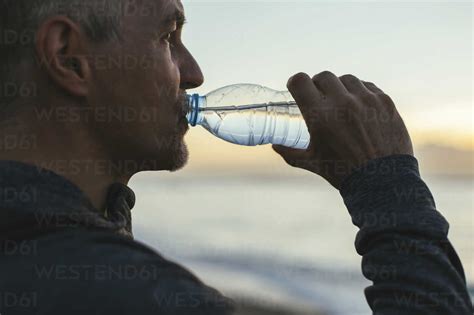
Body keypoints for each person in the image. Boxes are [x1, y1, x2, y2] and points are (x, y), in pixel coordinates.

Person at [0, 0, 471, 314]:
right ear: (68, 57)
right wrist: (387, 184)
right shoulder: (135, 295)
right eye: (167, 36)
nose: (194, 73)